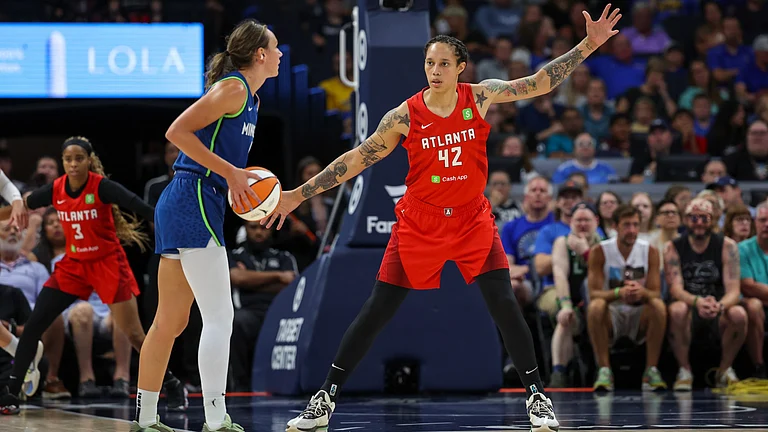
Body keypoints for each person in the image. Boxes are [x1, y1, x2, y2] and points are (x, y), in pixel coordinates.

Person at [265, 6, 623, 431]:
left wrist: (589, 45)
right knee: (376, 310)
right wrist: (295, 195)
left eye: (443, 64)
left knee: (505, 307)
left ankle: (538, 398)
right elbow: (356, 160)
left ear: (460, 68)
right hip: (420, 223)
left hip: (472, 220)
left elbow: (541, 81)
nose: (434, 71)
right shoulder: (403, 116)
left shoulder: (481, 95)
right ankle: (324, 400)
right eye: (429, 63)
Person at [133, 19, 282, 432]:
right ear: (259, 55)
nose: (281, 54)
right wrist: (231, 173)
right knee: (220, 316)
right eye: (276, 47)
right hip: (193, 194)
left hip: (194, 199)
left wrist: (231, 181)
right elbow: (176, 131)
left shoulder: (251, 98)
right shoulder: (233, 88)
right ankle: (216, 420)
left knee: (171, 321)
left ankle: (145, 419)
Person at [0, 137, 187, 415]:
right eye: (68, 159)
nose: (73, 164)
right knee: (36, 322)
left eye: (79, 158)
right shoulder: (57, 189)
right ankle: (11, 393)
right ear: (63, 163)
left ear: (89, 160)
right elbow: (22, 205)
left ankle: (171, 383)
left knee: (135, 334)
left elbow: (140, 206)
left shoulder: (102, 187)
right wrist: (11, 208)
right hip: (74, 265)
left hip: (107, 264)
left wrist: (171, 230)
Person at [664, 198, 746, 390]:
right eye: (694, 218)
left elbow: (734, 290)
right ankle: (684, 370)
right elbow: (675, 288)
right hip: (690, 305)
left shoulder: (728, 246)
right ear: (686, 220)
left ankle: (724, 370)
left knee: (739, 314)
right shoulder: (673, 247)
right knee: (676, 309)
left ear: (713, 220)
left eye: (704, 218)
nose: (699, 223)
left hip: (718, 307)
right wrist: (697, 302)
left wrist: (720, 306)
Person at [586, 204, 667, 391]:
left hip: (639, 312)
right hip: (612, 311)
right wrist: (617, 293)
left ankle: (651, 370)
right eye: (627, 225)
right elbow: (593, 293)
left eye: (636, 225)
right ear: (615, 226)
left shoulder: (650, 251)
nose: (632, 230)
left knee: (658, 305)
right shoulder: (600, 251)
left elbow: (655, 292)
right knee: (596, 306)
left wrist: (642, 292)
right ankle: (604, 370)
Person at [549, 202, 602, 388]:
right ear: (570, 221)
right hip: (575, 303)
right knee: (565, 320)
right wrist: (565, 304)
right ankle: (559, 373)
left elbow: (609, 277)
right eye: (578, 220)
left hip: (601, 306)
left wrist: (586, 253)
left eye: (586, 220)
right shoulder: (562, 242)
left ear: (596, 221)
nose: (582, 224)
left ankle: (602, 371)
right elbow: (560, 275)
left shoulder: (605, 244)